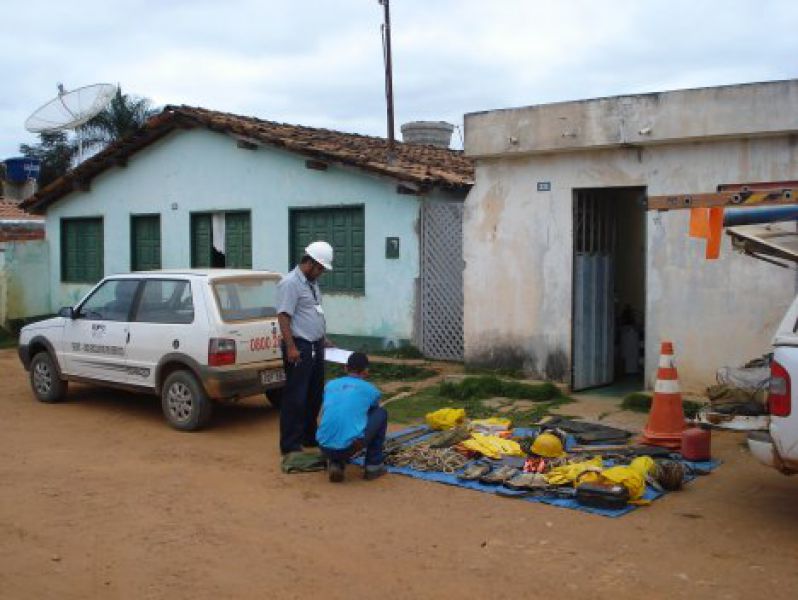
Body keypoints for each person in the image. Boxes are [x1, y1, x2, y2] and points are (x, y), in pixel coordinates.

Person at [276, 241, 334, 456]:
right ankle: (290, 444)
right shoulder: (290, 283)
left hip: (315, 344)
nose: (321, 273)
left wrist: (322, 338)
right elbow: (283, 316)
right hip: (299, 346)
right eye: (320, 268)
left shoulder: (311, 283)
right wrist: (291, 347)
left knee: (314, 394)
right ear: (310, 262)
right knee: (295, 396)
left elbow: (313, 312)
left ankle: (309, 436)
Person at [317, 352, 388, 482]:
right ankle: (373, 465)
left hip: (323, 446)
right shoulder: (370, 389)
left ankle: (336, 463)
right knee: (381, 413)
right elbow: (374, 407)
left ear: (345, 368)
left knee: (338, 419)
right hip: (349, 448)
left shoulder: (330, 385)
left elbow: (323, 413)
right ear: (366, 371)